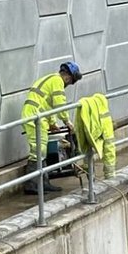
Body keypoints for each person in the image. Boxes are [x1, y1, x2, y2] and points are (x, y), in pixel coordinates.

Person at [21, 61, 83, 194]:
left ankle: (44, 183)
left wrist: (52, 122)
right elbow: (60, 104)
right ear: (68, 76)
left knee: (42, 151)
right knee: (38, 150)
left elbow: (47, 105)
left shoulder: (51, 79)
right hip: (34, 117)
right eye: (71, 81)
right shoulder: (57, 81)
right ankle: (31, 185)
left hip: (38, 117)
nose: (69, 84)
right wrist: (67, 122)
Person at [74, 93, 116, 180]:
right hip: (99, 129)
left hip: (90, 130)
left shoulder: (88, 112)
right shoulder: (104, 114)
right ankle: (108, 175)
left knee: (86, 148)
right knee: (108, 148)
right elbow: (110, 149)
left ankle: (91, 177)